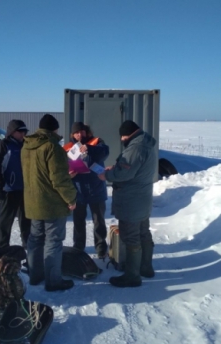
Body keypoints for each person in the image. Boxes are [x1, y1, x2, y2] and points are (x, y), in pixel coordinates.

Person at [21, 114, 77, 292]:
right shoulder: (52, 147)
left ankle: (35, 276)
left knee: (35, 240)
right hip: (52, 203)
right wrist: (71, 198)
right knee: (53, 241)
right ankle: (53, 281)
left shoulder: (27, 146)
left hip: (32, 201)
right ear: (54, 129)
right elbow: (58, 179)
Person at [98, 120, 156, 287]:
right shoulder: (146, 143)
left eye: (122, 136)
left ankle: (132, 276)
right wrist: (116, 168)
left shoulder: (135, 148)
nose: (122, 139)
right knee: (143, 232)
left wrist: (107, 175)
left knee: (131, 237)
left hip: (132, 200)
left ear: (126, 134)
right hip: (142, 199)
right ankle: (146, 268)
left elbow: (125, 173)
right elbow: (131, 168)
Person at [63, 122, 109, 258]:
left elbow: (104, 152)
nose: (79, 135)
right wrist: (68, 173)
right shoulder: (68, 147)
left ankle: (101, 247)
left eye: (82, 132)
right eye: (76, 132)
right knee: (78, 221)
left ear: (87, 132)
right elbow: (61, 165)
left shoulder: (96, 142)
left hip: (96, 188)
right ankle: (78, 246)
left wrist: (88, 148)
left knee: (99, 221)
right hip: (78, 190)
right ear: (72, 134)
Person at [0, 119, 31, 250]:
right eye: (20, 131)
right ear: (12, 132)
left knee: (26, 219)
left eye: (24, 131)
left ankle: (27, 243)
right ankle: (2, 246)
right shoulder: (3, 145)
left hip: (25, 188)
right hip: (9, 188)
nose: (23, 134)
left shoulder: (26, 145)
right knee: (6, 220)